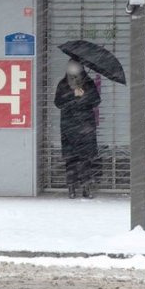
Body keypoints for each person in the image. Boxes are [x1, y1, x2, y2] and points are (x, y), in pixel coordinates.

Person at [55, 59, 101, 199]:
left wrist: (83, 96)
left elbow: (96, 101)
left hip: (86, 126)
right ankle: (71, 187)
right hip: (69, 127)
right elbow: (58, 103)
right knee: (71, 158)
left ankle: (86, 187)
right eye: (71, 66)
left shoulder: (88, 83)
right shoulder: (63, 84)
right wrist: (72, 96)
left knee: (86, 158)